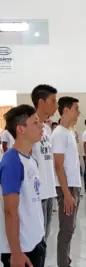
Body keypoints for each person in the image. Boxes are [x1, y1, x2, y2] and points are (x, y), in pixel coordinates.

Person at [0, 105, 45, 267]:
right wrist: (16, 252)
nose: (41, 126)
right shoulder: (12, 161)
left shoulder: (30, 159)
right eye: (35, 122)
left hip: (35, 241)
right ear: (21, 129)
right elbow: (10, 211)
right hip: (22, 249)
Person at [52, 96, 81, 267]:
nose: (79, 112)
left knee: (70, 228)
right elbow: (58, 165)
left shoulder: (68, 132)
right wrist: (67, 194)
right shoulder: (59, 134)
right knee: (66, 229)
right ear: (66, 110)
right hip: (66, 187)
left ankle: (66, 260)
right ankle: (63, 263)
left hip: (72, 186)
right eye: (76, 108)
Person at [31, 84, 58, 244]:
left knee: (44, 240)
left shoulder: (47, 130)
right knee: (36, 242)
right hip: (37, 195)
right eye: (53, 101)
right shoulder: (28, 128)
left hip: (49, 192)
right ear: (41, 102)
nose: (56, 106)